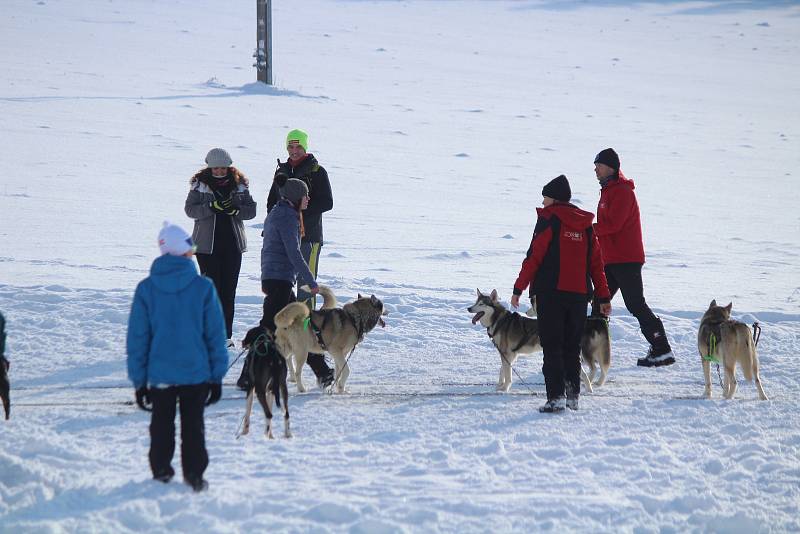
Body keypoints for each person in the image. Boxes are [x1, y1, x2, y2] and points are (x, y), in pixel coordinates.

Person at [127, 222, 228, 492]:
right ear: (182, 251)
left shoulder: (146, 289)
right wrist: (216, 375)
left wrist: (139, 381)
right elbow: (215, 336)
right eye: (191, 247)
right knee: (193, 427)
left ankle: (161, 471)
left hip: (160, 375)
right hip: (195, 374)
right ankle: (194, 476)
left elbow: (138, 339)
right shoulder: (203, 287)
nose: (194, 252)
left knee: (161, 426)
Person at [510, 175, 612, 413]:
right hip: (578, 297)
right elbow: (597, 264)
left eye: (545, 198)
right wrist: (604, 297)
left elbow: (534, 257)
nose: (543, 203)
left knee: (553, 346)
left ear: (553, 198)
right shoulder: (585, 225)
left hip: (551, 295)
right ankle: (572, 396)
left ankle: (555, 397)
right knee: (571, 347)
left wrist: (518, 288)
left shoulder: (549, 219)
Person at [238, 176, 323, 390]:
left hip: (277, 277)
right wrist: (311, 281)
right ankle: (247, 375)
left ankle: (324, 372)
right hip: (280, 279)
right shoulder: (286, 216)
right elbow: (293, 252)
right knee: (268, 327)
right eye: (305, 195)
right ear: (296, 197)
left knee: (302, 324)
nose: (308, 199)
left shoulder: (281, 211)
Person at [592, 148, 675, 367]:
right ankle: (593, 351)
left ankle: (662, 348)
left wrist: (591, 229)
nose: (595, 170)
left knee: (635, 304)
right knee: (599, 302)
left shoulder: (622, 191)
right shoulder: (608, 191)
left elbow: (614, 225)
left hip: (626, 259)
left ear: (610, 167)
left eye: (598, 165)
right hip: (611, 259)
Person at [266, 129, 334, 386]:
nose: (294, 151)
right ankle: (291, 342)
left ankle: (311, 336)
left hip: (309, 236)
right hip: (285, 234)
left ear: (304, 148)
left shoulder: (317, 171)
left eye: (298, 147)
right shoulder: (281, 172)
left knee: (306, 289)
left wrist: (302, 208)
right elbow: (271, 200)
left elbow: (327, 202)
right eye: (290, 148)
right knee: (284, 288)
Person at [185, 148, 257, 347]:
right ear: (209, 167)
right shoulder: (200, 186)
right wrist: (211, 208)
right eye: (215, 168)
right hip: (206, 247)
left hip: (232, 246)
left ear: (228, 167)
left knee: (228, 291)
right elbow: (190, 210)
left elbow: (251, 211)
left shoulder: (239, 185)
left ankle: (225, 336)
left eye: (222, 168)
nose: (218, 171)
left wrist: (236, 210)